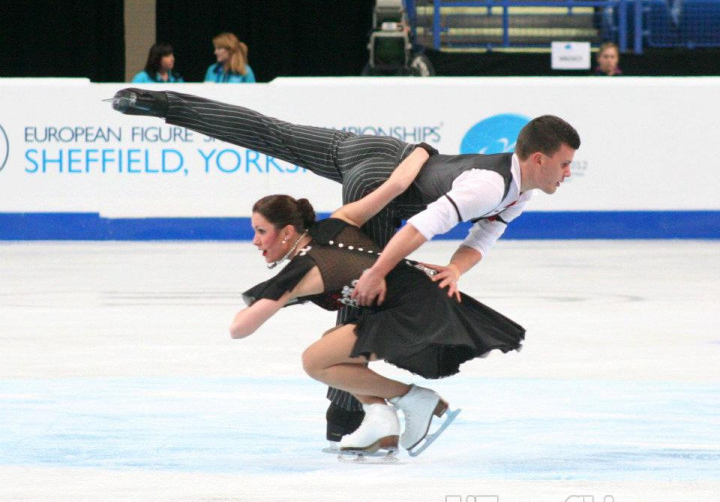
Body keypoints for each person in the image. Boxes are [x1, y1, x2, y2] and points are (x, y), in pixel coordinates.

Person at [110, 88, 580, 440]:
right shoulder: (489, 186)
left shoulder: (519, 191)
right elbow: (419, 228)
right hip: (382, 177)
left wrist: (456, 269)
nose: (568, 172)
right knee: (361, 290)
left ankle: (162, 102)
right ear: (538, 158)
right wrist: (375, 272)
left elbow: (484, 236)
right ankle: (350, 417)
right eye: (564, 164)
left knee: (275, 133)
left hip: (381, 153)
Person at [230, 145, 525, 454]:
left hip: (416, 310)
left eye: (261, 231)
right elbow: (396, 185)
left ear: (287, 232)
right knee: (333, 342)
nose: (255, 241)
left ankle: (415, 399)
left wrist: (268, 299)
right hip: (426, 295)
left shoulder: (298, 272)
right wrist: (422, 150)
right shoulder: (339, 221)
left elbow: (240, 330)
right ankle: (381, 417)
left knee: (314, 361)